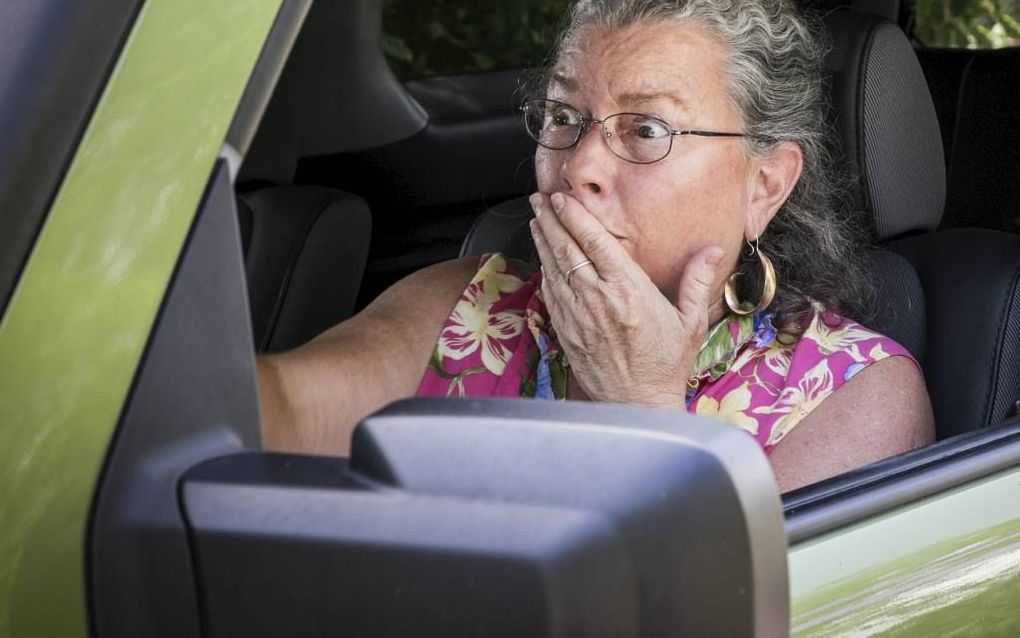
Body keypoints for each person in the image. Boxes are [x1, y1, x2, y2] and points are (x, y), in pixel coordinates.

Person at [257, 0, 934, 492]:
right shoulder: (466, 308)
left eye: (646, 130)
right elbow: (267, 414)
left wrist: (639, 406)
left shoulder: (857, 395)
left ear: (764, 186)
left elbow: (727, 610)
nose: (578, 164)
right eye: (564, 117)